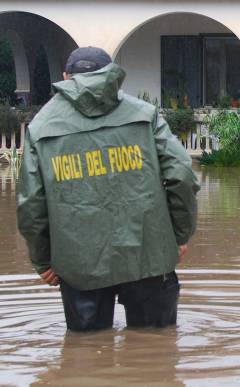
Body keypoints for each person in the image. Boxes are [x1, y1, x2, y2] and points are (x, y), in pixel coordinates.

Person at [16, 47, 200, 331]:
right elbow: (182, 174)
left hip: (78, 264)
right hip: (149, 254)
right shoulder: (144, 113)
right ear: (113, 75)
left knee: (86, 357)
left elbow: (31, 204)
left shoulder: (41, 126)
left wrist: (42, 260)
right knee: (155, 353)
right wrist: (179, 234)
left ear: (65, 77)